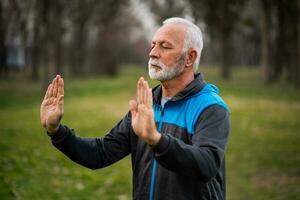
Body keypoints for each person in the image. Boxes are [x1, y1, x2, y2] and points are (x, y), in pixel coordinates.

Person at [40, 17, 230, 200]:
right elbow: (100, 154)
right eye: (153, 45)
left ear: (190, 57)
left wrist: (156, 140)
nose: (153, 53)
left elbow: (207, 164)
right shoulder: (147, 105)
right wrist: (56, 131)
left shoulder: (210, 107)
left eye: (165, 46)